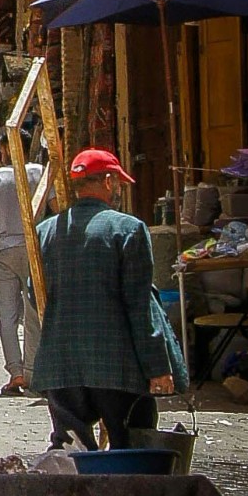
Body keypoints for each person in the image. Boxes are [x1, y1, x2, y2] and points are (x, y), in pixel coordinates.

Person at [33, 149, 188, 448]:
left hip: (61, 363)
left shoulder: (44, 231)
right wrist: (158, 367)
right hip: (117, 367)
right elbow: (139, 306)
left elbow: (34, 291)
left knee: (70, 452)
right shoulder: (128, 229)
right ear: (106, 181)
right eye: (117, 182)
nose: (118, 188)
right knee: (130, 451)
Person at [0, 157, 46, 395]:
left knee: (7, 315)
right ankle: (32, 371)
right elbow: (53, 205)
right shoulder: (39, 172)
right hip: (34, 247)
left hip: (3, 249)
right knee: (33, 313)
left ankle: (16, 372)